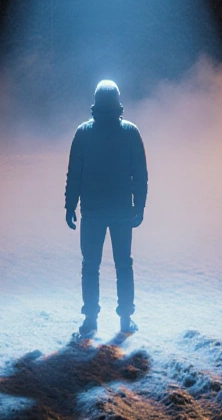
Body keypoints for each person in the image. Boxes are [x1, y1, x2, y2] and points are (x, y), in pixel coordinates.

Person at [64, 80, 148, 338]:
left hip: (92, 212)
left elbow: (74, 174)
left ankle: (90, 320)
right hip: (122, 211)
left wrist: (70, 205)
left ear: (96, 102)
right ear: (118, 103)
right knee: (124, 265)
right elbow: (140, 175)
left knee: (90, 265)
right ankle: (125, 320)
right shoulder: (131, 132)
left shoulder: (83, 132)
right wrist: (139, 206)